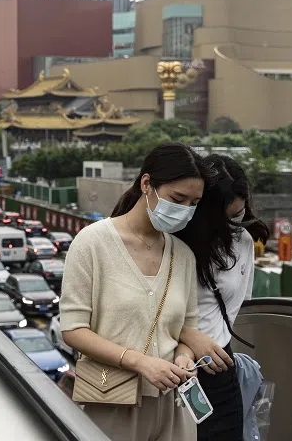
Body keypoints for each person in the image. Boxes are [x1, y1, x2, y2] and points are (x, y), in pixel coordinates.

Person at [60, 142, 215, 441]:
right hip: (111, 399)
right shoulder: (92, 243)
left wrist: (183, 357)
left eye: (193, 204)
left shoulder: (182, 255)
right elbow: (73, 329)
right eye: (177, 199)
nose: (184, 211)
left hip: (174, 405)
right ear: (147, 184)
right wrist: (141, 363)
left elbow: (186, 330)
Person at [176, 155, 270, 441]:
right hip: (173, 367)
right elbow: (150, 308)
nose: (233, 223)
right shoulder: (175, 243)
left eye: (238, 213)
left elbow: (235, 305)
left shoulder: (243, 242)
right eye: (225, 216)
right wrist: (188, 337)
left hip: (218, 365)